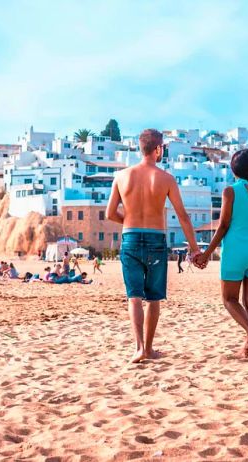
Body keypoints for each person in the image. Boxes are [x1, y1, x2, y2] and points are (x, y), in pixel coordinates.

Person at [106, 128, 201, 363]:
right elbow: (183, 217)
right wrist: (195, 248)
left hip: (130, 238)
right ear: (158, 149)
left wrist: (128, 221)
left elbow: (109, 213)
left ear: (141, 148)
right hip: (156, 239)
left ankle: (138, 348)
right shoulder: (166, 178)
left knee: (134, 297)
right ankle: (148, 348)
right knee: (154, 298)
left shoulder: (121, 176)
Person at [194, 148, 248, 358]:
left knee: (229, 299)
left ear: (234, 169)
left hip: (236, 251)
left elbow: (222, 226)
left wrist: (206, 254)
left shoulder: (230, 191)